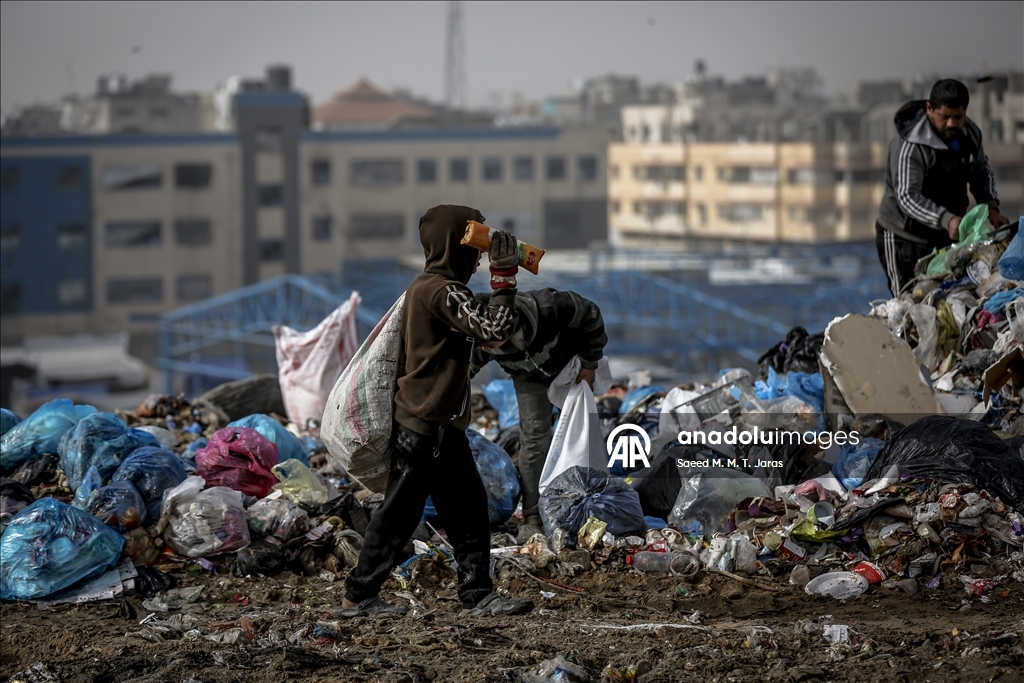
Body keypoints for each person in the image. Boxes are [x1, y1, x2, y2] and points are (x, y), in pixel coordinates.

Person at [340, 205, 534, 618]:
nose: (479, 256)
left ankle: (477, 594)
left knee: (467, 510)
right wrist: (504, 278)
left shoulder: (433, 288)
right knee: (397, 515)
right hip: (424, 424)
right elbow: (495, 331)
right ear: (452, 244)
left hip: (440, 425)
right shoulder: (441, 289)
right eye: (474, 245)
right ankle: (358, 597)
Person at [471, 289, 607, 544]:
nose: (486, 347)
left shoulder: (551, 308)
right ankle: (533, 517)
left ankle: (591, 502)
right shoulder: (480, 335)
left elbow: (591, 316)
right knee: (534, 440)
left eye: (491, 343)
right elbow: (463, 371)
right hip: (530, 378)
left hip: (570, 364)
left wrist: (590, 364)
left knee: (583, 433)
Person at [876, 78, 1010, 296]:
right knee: (908, 299)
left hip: (944, 237)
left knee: (945, 296)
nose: (951, 124)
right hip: (903, 237)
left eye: (958, 117)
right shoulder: (912, 144)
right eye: (945, 117)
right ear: (929, 108)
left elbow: (981, 173)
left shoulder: (970, 135)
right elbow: (907, 196)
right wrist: (946, 219)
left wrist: (991, 208)